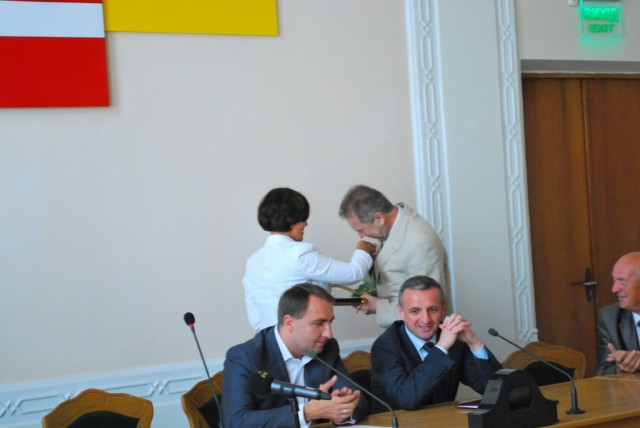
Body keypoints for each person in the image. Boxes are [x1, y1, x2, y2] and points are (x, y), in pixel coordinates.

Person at [222, 283, 369, 428]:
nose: (329, 333)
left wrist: (342, 409)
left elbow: (358, 401)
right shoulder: (245, 357)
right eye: (319, 323)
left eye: (330, 322)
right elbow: (236, 422)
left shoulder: (327, 348)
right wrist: (306, 412)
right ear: (289, 322)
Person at [244, 187, 376, 331]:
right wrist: (363, 248)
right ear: (291, 220)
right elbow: (353, 273)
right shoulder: (299, 253)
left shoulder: (253, 261)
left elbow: (255, 318)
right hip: (303, 338)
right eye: (303, 218)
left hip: (268, 339)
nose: (306, 224)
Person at [369, 275, 500, 412]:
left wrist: (475, 344)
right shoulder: (385, 347)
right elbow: (407, 400)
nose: (426, 320)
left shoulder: (453, 337)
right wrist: (441, 348)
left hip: (442, 420)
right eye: (415, 311)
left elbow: (494, 391)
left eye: (432, 310)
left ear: (443, 309)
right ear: (401, 312)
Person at [338, 184, 448, 328]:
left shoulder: (421, 242)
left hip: (420, 336)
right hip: (400, 332)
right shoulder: (393, 226)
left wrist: (377, 306)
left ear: (379, 218)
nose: (361, 236)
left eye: (361, 229)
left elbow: (429, 307)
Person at [596, 251, 640, 375]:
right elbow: (603, 372)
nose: (614, 289)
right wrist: (620, 368)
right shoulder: (609, 318)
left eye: (622, 281)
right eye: (614, 280)